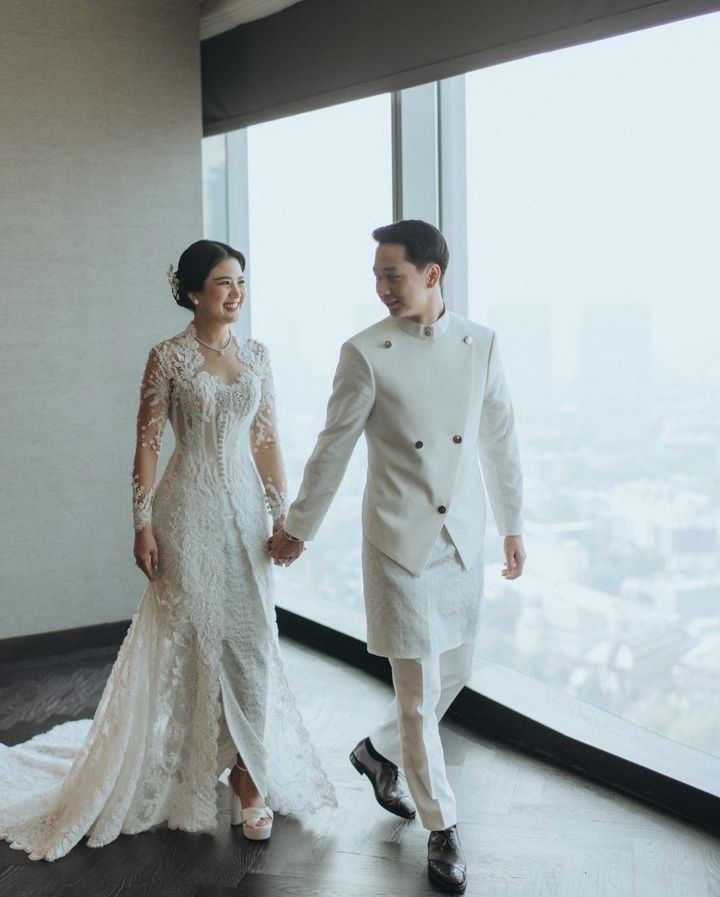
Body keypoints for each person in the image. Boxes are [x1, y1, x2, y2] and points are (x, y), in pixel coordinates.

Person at [0, 240, 335, 862]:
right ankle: (197, 764)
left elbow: (266, 442)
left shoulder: (257, 356)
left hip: (245, 520)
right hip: (187, 513)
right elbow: (148, 444)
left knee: (253, 644)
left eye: (241, 281)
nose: (236, 293)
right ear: (191, 292)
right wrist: (143, 523)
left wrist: (281, 513)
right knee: (194, 640)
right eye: (222, 283)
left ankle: (248, 775)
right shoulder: (169, 358)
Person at [270, 220, 525, 895]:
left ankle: (376, 753)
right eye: (377, 274)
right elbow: (333, 447)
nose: (381, 287)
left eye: (394, 274)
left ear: (432, 275)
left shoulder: (483, 344)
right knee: (415, 695)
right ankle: (442, 827)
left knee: (453, 675)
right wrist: (301, 525)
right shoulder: (366, 352)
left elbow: (500, 439)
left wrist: (512, 526)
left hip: (459, 542)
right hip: (397, 544)